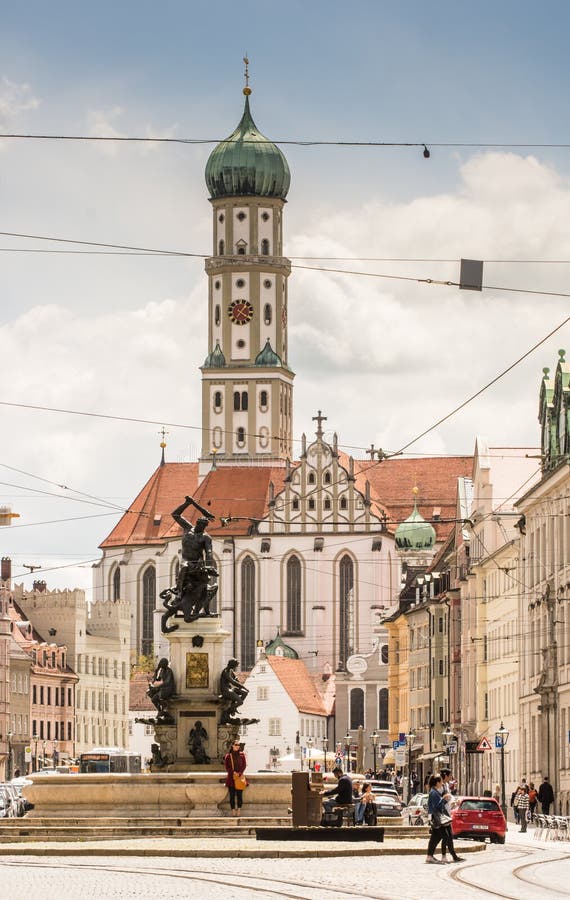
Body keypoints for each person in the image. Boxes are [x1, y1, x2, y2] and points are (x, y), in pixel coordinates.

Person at [440, 769, 464, 863]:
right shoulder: (441, 786)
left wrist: (454, 802)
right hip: (443, 814)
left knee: (448, 836)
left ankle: (453, 855)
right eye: (450, 775)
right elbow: (442, 799)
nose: (451, 777)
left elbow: (449, 797)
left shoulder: (446, 785)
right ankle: (443, 856)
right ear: (446, 775)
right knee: (445, 837)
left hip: (447, 813)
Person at [426, 774, 446, 864]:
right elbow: (436, 806)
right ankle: (429, 856)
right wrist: (444, 799)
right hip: (436, 817)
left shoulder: (434, 791)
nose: (442, 783)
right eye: (441, 781)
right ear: (437, 782)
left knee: (436, 836)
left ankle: (430, 855)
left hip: (434, 817)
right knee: (437, 836)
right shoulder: (434, 793)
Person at [224, 739, 247, 816]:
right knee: (232, 795)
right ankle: (233, 810)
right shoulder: (228, 756)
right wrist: (233, 772)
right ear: (232, 746)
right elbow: (227, 767)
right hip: (231, 778)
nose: (238, 746)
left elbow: (244, 765)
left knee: (240, 795)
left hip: (239, 778)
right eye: (236, 745)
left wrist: (239, 773)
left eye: (238, 745)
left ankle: (239, 810)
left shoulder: (242, 755)